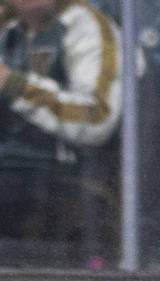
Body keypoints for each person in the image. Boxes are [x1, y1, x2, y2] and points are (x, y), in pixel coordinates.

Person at [0, 0, 124, 263]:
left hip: (57, 175)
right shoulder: (8, 28)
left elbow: (97, 117)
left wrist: (15, 85)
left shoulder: (86, 26)